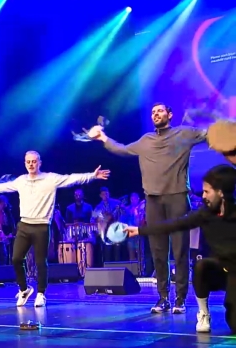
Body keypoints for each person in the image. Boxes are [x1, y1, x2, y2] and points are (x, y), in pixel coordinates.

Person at [88, 102, 207, 313]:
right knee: (158, 251)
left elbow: (209, 134)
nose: (155, 114)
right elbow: (123, 150)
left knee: (180, 251)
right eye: (153, 112)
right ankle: (163, 298)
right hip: (153, 201)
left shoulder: (184, 133)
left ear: (170, 114)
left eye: (160, 111)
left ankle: (180, 298)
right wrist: (103, 138)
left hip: (177, 197)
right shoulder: (146, 140)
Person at [0, 151, 109, 307]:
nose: (31, 164)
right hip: (24, 225)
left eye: (34, 161)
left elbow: (71, 179)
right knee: (16, 259)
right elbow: (4, 187)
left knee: (40, 262)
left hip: (42, 226)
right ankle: (24, 289)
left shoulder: (50, 179)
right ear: (25, 163)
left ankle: (40, 294)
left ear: (39, 163)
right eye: (28, 162)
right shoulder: (21, 180)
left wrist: (92, 175)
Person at [125, 165, 236, 333]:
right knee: (201, 266)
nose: (203, 195)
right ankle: (204, 313)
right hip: (220, 271)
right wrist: (140, 230)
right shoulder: (205, 215)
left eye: (207, 191)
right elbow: (174, 224)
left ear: (220, 192)